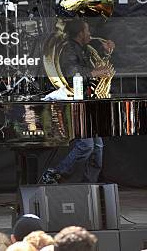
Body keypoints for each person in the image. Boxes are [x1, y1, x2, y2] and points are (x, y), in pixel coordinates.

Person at [42, 19, 114, 185]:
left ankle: (89, 187)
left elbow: (94, 67)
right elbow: (72, 73)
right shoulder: (68, 49)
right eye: (87, 31)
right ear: (80, 33)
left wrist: (106, 54)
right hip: (75, 103)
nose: (90, 34)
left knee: (97, 149)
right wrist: (96, 72)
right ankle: (55, 173)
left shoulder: (83, 49)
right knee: (87, 145)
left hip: (87, 101)